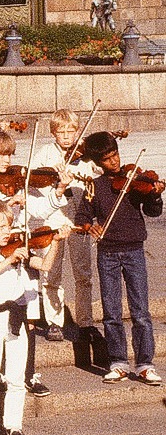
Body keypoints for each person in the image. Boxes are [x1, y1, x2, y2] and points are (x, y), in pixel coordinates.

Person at [0, 201, 67, 435]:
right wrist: (9, 259)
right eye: (0, 227)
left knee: (16, 375)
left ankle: (14, 425)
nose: (7, 232)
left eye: (9, 227)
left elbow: (45, 266)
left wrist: (55, 242)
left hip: (17, 317)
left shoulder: (18, 248)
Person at [75, 132, 162, 385]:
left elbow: (153, 211)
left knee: (140, 311)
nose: (114, 162)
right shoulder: (94, 185)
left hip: (134, 250)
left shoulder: (135, 181)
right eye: (107, 159)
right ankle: (118, 362)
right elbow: (82, 216)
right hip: (107, 253)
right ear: (97, 162)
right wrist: (89, 226)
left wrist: (155, 194)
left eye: (115, 155)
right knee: (111, 311)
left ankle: (145, 364)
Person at [29, 109, 97, 343]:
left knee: (83, 272)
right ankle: (54, 322)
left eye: (71, 131)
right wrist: (51, 178)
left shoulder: (85, 156)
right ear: (53, 133)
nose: (67, 136)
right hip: (53, 216)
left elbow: (100, 169)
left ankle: (85, 322)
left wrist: (92, 151)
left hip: (79, 217)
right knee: (51, 273)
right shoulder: (45, 153)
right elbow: (32, 180)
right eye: (61, 132)